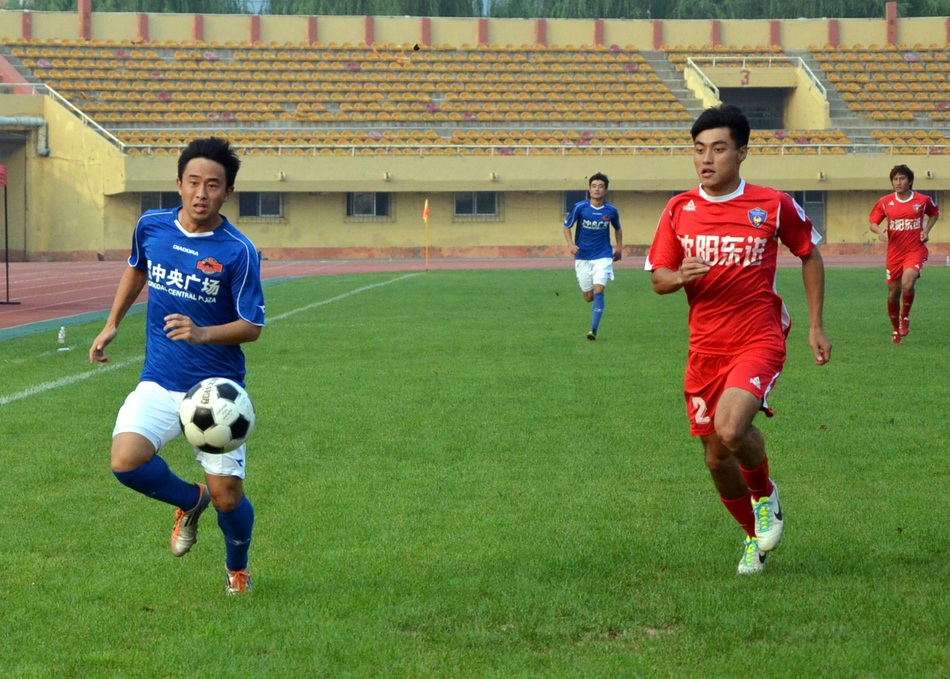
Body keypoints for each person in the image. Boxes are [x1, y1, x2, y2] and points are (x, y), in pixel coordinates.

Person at [645, 105, 832, 574]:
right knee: (714, 457)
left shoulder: (772, 204)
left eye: (719, 149)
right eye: (699, 150)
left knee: (731, 430)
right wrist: (677, 275)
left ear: (742, 152)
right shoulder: (679, 209)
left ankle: (766, 495)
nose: (706, 159)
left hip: (758, 336)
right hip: (704, 349)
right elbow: (659, 279)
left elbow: (809, 255)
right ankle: (754, 538)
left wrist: (814, 325)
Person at [89, 137, 264, 596]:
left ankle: (237, 569)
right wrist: (112, 324)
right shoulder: (151, 226)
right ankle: (191, 500)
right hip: (161, 379)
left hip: (216, 395)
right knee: (125, 462)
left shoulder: (239, 251)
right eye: (193, 183)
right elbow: (137, 269)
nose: (201, 193)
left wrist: (203, 332)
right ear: (179, 184)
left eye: (213, 185)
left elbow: (252, 325)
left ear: (227, 192)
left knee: (230, 498)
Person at [868, 165, 939, 344]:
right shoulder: (885, 202)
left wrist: (926, 230)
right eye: (895, 179)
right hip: (894, 253)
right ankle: (895, 330)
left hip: (915, 249)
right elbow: (873, 222)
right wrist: (880, 232)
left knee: (908, 283)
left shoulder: (922, 200)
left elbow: (934, 213)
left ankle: (905, 317)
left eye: (902, 178)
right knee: (893, 293)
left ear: (910, 181)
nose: (898, 182)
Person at [562, 172, 623, 340]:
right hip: (583, 257)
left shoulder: (611, 211)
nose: (597, 189)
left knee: (599, 289)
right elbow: (566, 226)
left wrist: (619, 248)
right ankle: (593, 303)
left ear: (606, 190)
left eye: (601, 186)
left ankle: (593, 330)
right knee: (589, 296)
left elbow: (617, 228)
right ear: (589, 189)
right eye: (594, 186)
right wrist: (571, 245)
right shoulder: (580, 207)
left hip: (603, 255)